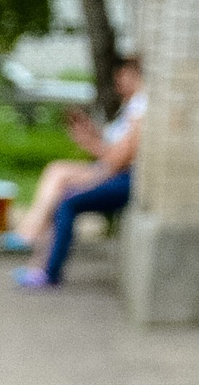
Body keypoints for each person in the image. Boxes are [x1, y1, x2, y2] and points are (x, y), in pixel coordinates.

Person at [10, 56, 146, 289]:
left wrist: (87, 142)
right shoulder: (133, 106)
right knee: (58, 181)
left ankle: (45, 264)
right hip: (116, 173)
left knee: (66, 201)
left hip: (125, 179)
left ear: (133, 75)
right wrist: (90, 133)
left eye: (121, 77)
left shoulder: (141, 110)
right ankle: (36, 250)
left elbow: (117, 160)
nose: (118, 84)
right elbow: (114, 148)